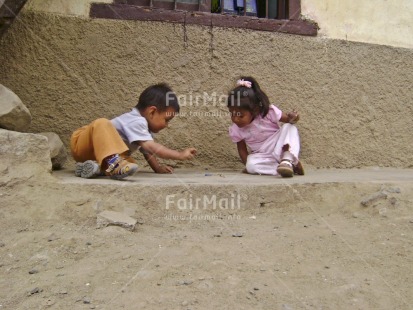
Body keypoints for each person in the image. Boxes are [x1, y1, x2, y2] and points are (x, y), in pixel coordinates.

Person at [70, 83, 197, 179]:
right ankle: (110, 166)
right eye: (167, 120)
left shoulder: (144, 127)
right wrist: (180, 155)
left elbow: (147, 152)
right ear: (152, 112)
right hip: (83, 143)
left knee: (129, 164)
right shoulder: (137, 121)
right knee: (102, 122)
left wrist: (157, 168)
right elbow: (151, 148)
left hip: (98, 156)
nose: (167, 125)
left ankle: (91, 168)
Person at [227, 76, 304, 177]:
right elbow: (242, 149)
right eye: (232, 114)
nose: (236, 119)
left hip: (278, 146)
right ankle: (285, 168)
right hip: (262, 155)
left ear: (255, 109)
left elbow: (289, 120)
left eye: (241, 115)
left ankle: (287, 159)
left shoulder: (268, 113)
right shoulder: (236, 129)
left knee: (290, 127)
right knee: (251, 165)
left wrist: (294, 117)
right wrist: (248, 165)